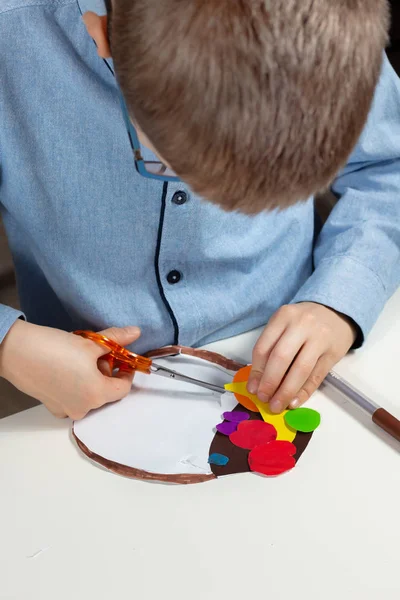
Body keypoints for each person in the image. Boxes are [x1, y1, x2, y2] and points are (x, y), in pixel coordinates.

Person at [0, 0, 399, 420]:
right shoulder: (15, 31)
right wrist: (10, 345)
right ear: (103, 36)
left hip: (288, 337)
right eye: (172, 163)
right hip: (74, 384)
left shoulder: (328, 22)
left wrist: (340, 298)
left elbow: (387, 165)